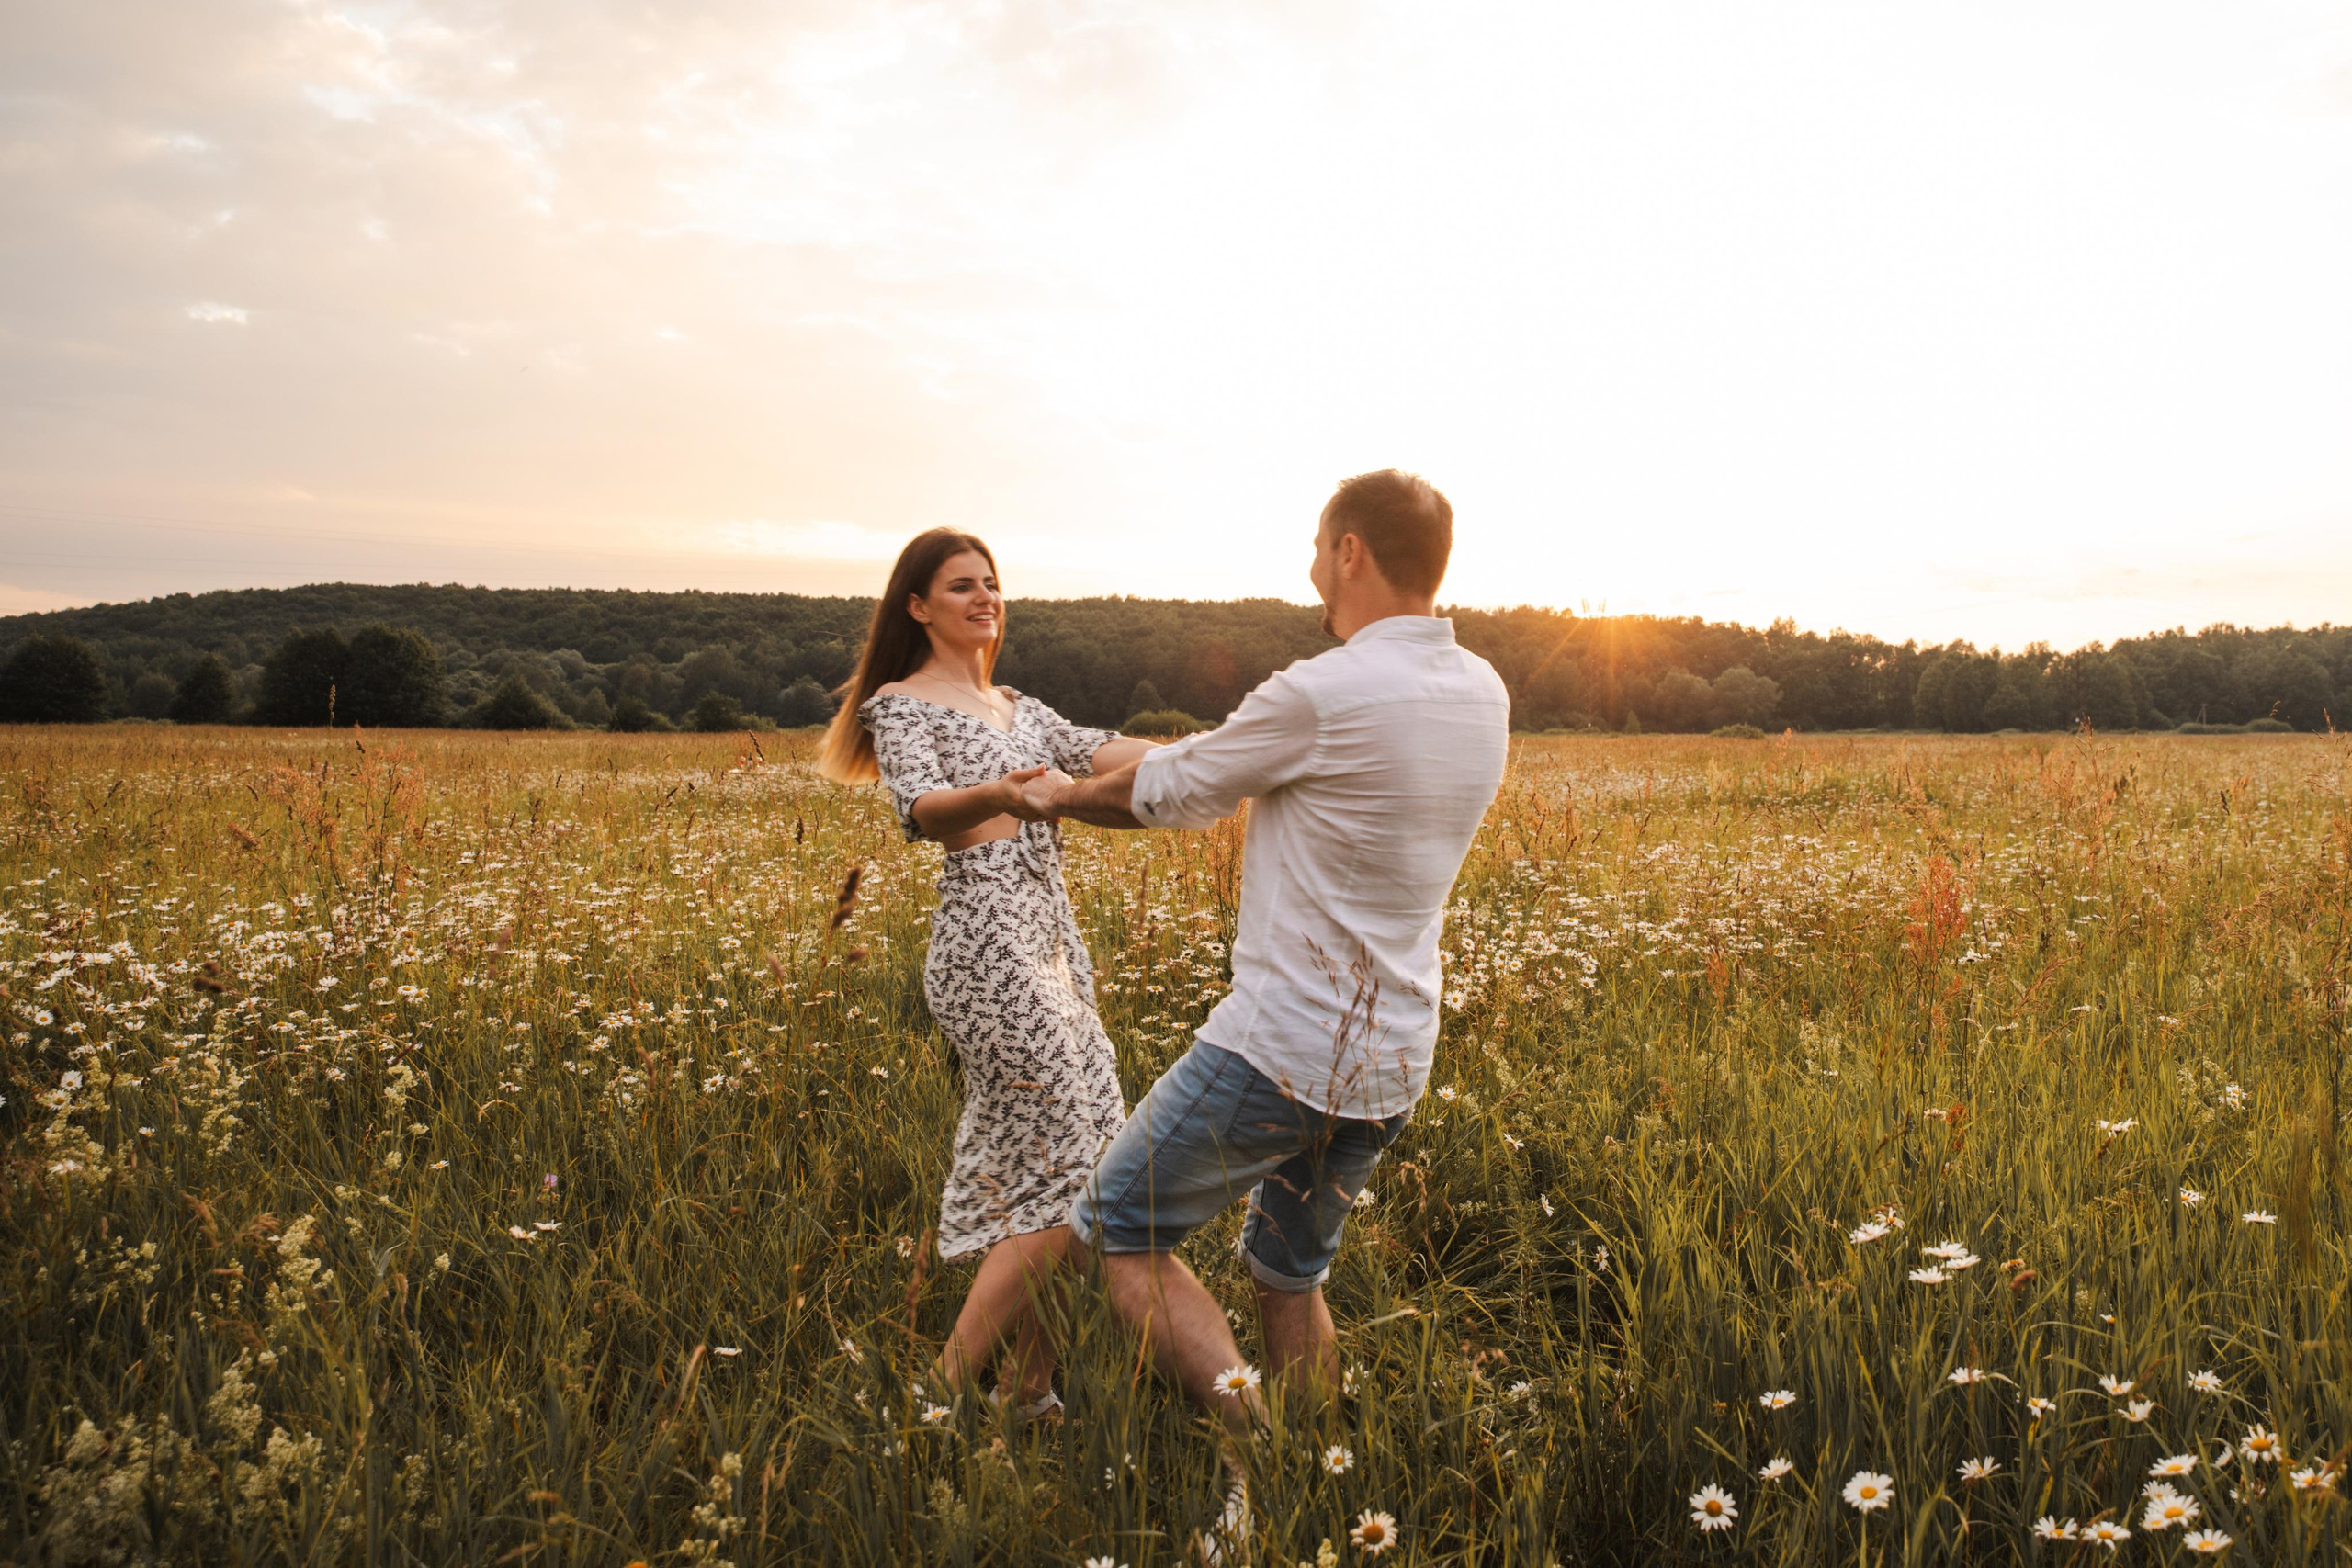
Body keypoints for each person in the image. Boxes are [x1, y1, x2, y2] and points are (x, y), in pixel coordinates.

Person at [1027, 469, 1510, 1554]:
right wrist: (1102, 750)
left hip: (1280, 1050)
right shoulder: (1482, 689)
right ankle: (1315, 1487)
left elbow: (1177, 793)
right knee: (1289, 1270)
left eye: (1315, 544)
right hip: (1390, 1059)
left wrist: (1051, 792)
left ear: (1349, 552)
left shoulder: (1321, 691)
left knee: (1120, 1232)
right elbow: (1214, 767)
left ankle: (1271, 1460)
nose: (1308, 567)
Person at [817, 526, 1155, 1417]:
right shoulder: (902, 704)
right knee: (1067, 1176)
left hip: (1052, 952)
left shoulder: (1020, 707)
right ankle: (940, 1397)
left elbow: (1103, 751)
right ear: (918, 606)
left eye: (990, 582)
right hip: (985, 954)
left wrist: (1206, 755)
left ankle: (1027, 1390)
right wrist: (1003, 794)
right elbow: (918, 810)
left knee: (1092, 1177)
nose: (982, 597)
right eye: (961, 585)